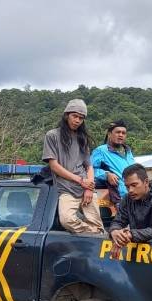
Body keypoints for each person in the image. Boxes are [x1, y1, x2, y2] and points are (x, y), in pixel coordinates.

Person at [42, 99, 104, 234]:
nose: (77, 120)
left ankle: (95, 233)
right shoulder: (52, 135)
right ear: (66, 115)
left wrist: (89, 188)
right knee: (67, 220)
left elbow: (89, 166)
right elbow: (54, 166)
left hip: (86, 187)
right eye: (74, 116)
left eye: (81, 118)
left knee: (96, 222)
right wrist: (81, 181)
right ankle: (95, 232)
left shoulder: (83, 138)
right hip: (66, 188)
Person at [107, 163, 152, 258]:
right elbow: (118, 221)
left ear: (146, 182)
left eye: (134, 185)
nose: (130, 190)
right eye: (127, 186)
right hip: (140, 251)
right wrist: (115, 231)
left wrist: (131, 234)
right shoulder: (127, 198)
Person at [91, 120, 135, 203]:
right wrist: (106, 174)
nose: (121, 135)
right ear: (109, 134)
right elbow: (89, 170)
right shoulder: (101, 151)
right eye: (118, 132)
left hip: (134, 195)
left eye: (123, 133)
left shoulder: (128, 151)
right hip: (120, 197)